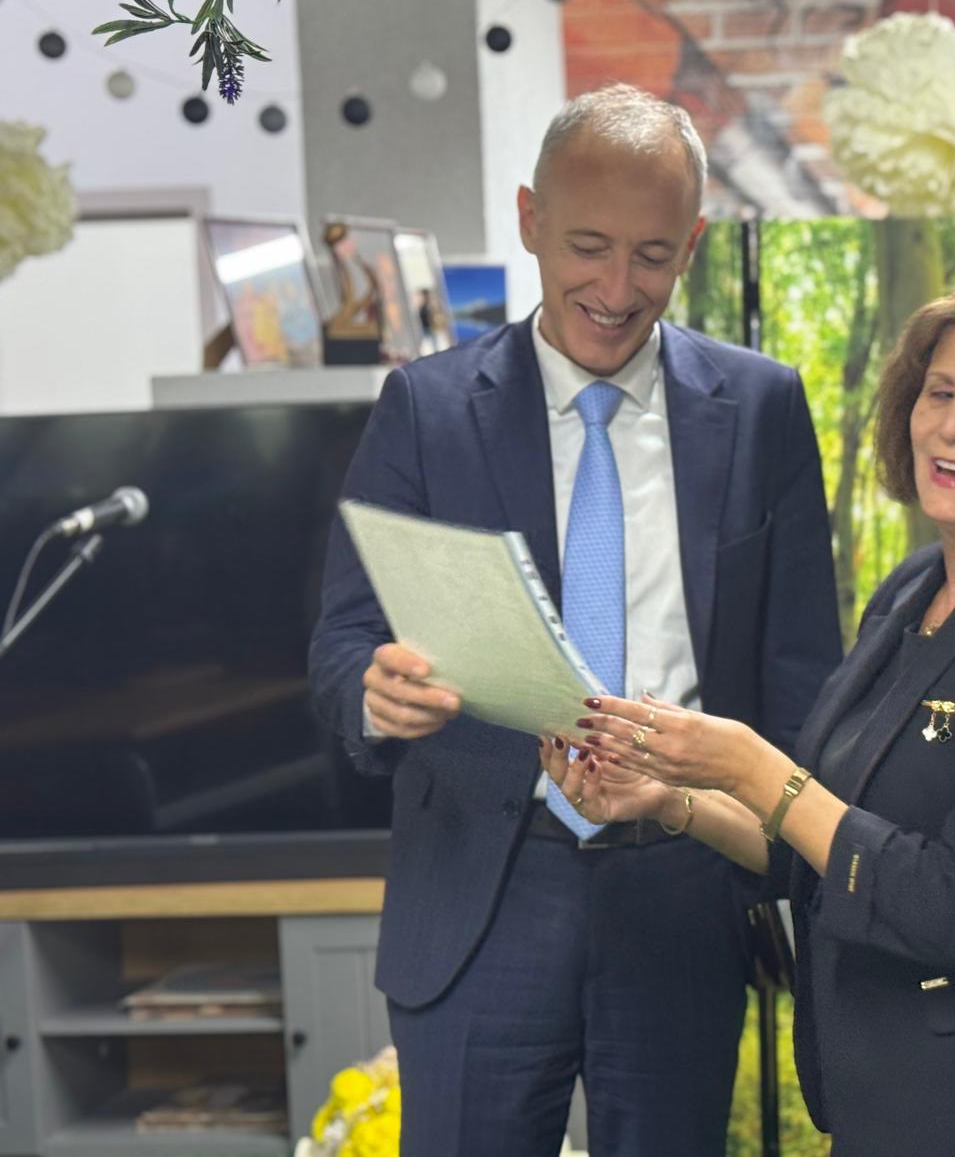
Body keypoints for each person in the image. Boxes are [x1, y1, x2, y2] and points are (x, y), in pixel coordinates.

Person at [308, 84, 842, 1155]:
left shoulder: (762, 409)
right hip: (481, 892)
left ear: (694, 244)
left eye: (652, 256)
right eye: (587, 247)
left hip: (684, 886)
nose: (615, 288)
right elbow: (340, 647)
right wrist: (376, 694)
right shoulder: (427, 409)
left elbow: (801, 675)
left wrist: (786, 857)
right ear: (529, 220)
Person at [547, 282, 955, 1156]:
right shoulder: (913, 590)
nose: (952, 426)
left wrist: (752, 766)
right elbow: (823, 838)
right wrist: (671, 799)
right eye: (939, 392)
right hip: (890, 1100)